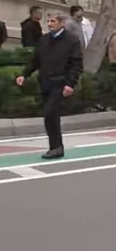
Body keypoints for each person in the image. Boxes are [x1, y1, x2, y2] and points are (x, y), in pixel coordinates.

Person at [14, 11, 84, 159]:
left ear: (62, 23)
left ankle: (56, 147)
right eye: (48, 21)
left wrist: (70, 84)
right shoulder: (44, 39)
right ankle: (56, 147)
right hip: (45, 82)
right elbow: (35, 60)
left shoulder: (72, 40)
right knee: (51, 116)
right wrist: (24, 74)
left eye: (53, 21)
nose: (49, 24)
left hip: (61, 83)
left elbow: (76, 64)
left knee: (50, 113)